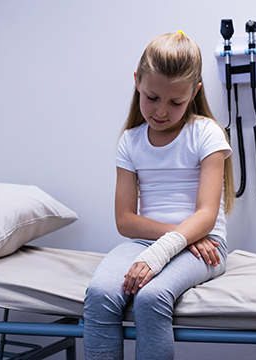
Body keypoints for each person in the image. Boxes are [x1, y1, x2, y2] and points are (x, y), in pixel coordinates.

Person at [83, 31, 235, 360]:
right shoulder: (131, 142)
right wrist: (178, 238)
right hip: (162, 241)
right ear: (137, 81)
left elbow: (206, 215)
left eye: (176, 102)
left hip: (208, 245)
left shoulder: (206, 133)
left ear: (194, 93)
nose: (162, 111)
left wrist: (167, 250)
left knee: (150, 298)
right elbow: (125, 221)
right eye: (152, 97)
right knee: (99, 293)